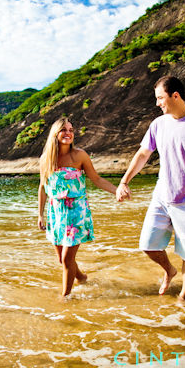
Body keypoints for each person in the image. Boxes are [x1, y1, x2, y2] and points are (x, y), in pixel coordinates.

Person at [117, 76, 185, 302]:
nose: (157, 103)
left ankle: (184, 297)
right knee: (147, 244)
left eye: (160, 98)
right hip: (161, 198)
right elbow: (143, 154)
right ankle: (169, 270)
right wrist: (124, 181)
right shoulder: (158, 124)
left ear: (175, 95)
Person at [38, 118, 118, 299]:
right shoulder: (46, 159)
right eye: (63, 130)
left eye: (71, 130)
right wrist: (40, 215)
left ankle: (65, 297)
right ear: (55, 134)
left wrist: (117, 190)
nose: (68, 133)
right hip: (56, 212)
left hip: (76, 211)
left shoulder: (80, 155)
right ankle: (81, 277)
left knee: (67, 259)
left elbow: (96, 179)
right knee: (62, 259)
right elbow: (43, 187)